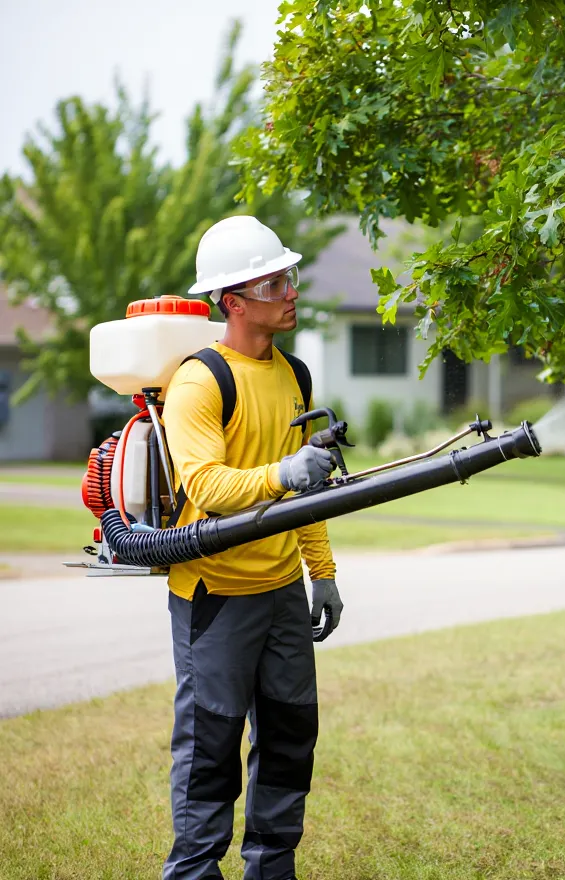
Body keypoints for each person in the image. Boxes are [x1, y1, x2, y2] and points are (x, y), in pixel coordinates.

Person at [161, 214, 343, 880]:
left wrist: (320, 573)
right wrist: (282, 474)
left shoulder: (294, 375)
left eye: (290, 276)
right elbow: (206, 485)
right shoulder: (200, 382)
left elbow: (309, 487)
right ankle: (194, 871)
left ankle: (271, 869)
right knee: (211, 750)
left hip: (282, 593)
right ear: (233, 301)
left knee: (292, 737)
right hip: (215, 597)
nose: (291, 290)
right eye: (274, 282)